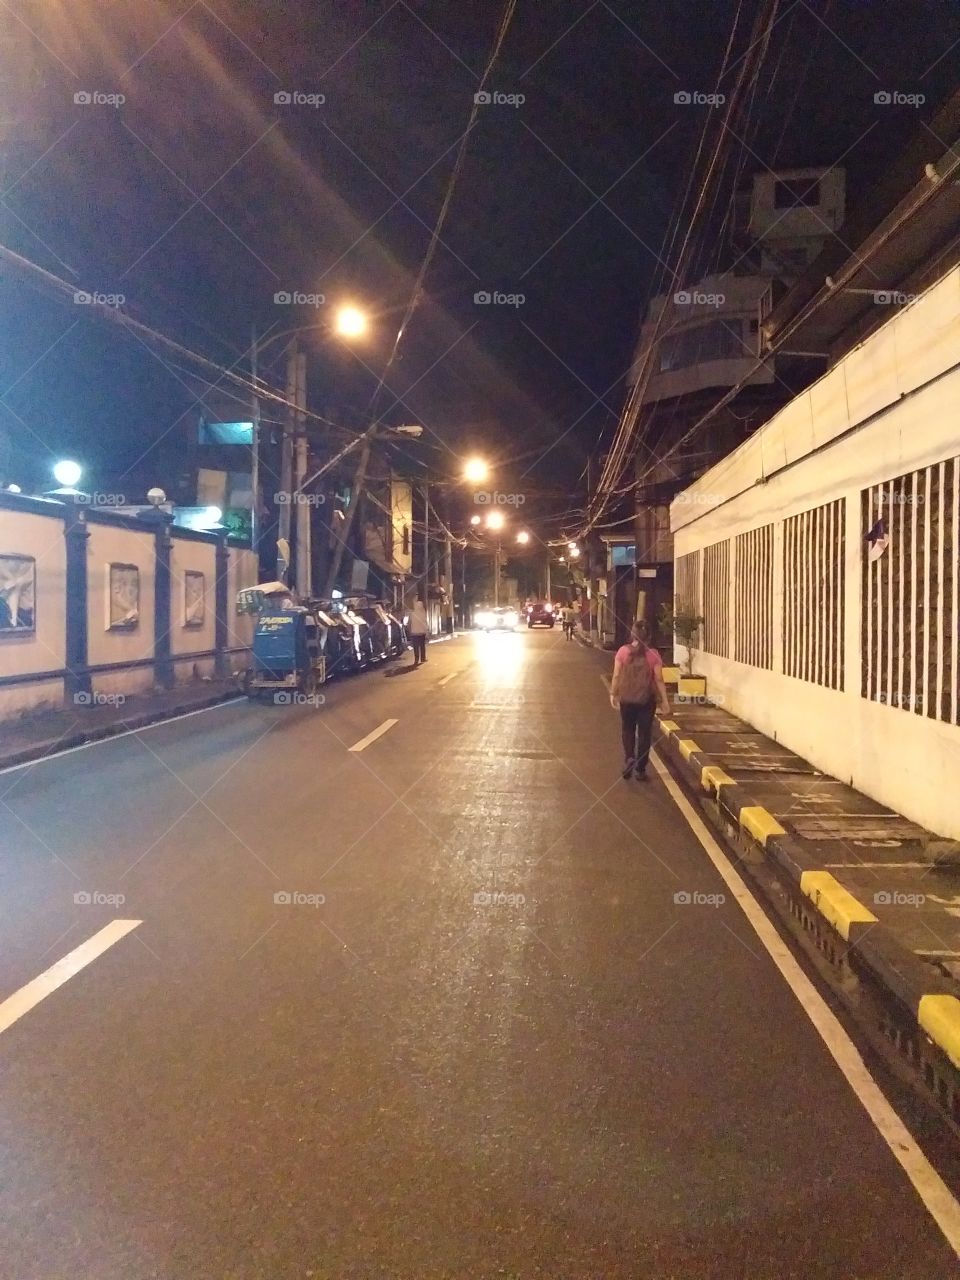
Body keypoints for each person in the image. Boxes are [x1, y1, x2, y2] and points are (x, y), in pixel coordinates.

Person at [609, 621, 671, 781]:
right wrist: (665, 701)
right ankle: (641, 769)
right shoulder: (654, 654)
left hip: (627, 698)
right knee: (644, 733)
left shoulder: (623, 651)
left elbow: (616, 675)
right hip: (647, 700)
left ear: (632, 634)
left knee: (627, 729)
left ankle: (629, 757)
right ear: (649, 636)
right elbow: (658, 679)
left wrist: (613, 693)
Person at [407, 597, 429, 667]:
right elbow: (425, 623)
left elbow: (409, 623)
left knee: (416, 647)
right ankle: (423, 658)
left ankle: (416, 660)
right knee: (422, 646)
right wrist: (427, 631)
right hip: (422, 632)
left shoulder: (412, 613)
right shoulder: (423, 613)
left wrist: (409, 630)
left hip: (414, 633)